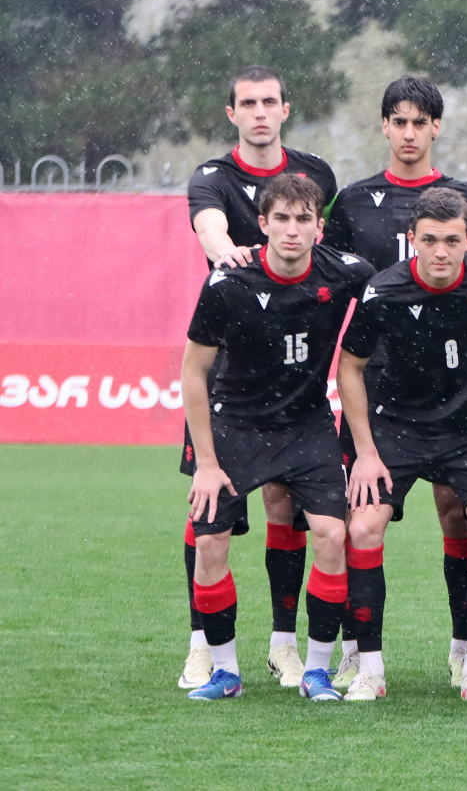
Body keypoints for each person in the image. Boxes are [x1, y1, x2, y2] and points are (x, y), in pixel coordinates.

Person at [323, 75, 467, 689]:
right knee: (356, 524)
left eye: (419, 122)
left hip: (461, 405)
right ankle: (359, 657)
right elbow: (332, 286)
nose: (408, 133)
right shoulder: (355, 205)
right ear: (385, 126)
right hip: (385, 405)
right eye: (398, 121)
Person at [336, 187, 467, 701]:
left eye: (451, 240)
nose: (440, 252)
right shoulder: (384, 290)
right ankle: (370, 670)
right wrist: (366, 453)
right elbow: (349, 368)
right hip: (396, 430)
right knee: (363, 527)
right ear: (412, 240)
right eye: (429, 240)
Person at [181, 173, 375, 700]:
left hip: (307, 425)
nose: (293, 229)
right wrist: (206, 463)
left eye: (304, 219)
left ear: (319, 227)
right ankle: (224, 672)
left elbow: (404, 284)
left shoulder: (348, 273)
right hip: (236, 426)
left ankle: (316, 670)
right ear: (263, 224)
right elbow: (193, 373)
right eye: (282, 219)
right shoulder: (227, 283)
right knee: (211, 541)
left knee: (332, 535)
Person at [179, 65, 339, 691]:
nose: (260, 112)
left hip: (293, 369)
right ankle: (203, 645)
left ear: (285, 109)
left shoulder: (315, 174)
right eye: (248, 103)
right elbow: (209, 226)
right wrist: (229, 256)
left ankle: (283, 645)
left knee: (286, 507)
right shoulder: (212, 177)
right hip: (230, 367)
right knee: (206, 509)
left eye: (270, 101)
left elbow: (334, 252)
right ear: (232, 114)